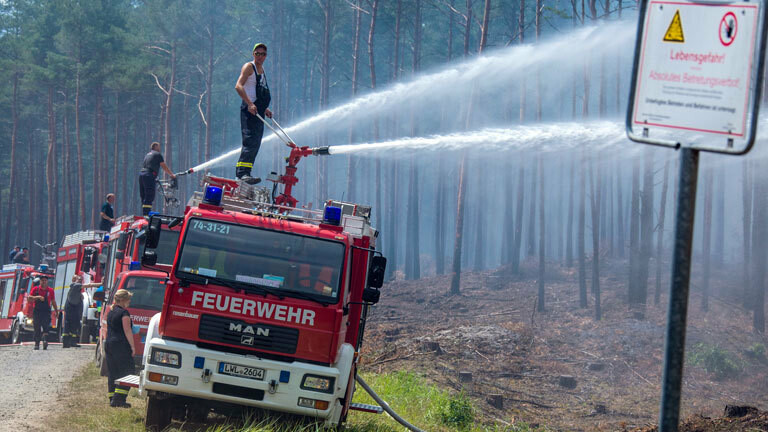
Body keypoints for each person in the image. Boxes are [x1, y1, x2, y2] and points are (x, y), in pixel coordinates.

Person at [234, 42, 272, 185]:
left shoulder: (262, 69)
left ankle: (247, 173)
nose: (260, 56)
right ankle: (241, 174)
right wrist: (249, 103)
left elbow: (258, 91)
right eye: (257, 53)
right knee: (249, 141)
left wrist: (265, 109)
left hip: (258, 111)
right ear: (253, 54)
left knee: (256, 143)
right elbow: (238, 86)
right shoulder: (249, 67)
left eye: (263, 54)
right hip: (249, 111)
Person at [105, 289, 136, 408]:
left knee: (113, 372)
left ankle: (112, 398)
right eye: (128, 299)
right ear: (123, 300)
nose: (129, 302)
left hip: (109, 344)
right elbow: (127, 330)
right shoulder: (124, 313)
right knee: (128, 372)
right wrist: (132, 347)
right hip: (120, 345)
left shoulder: (111, 311)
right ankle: (119, 399)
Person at [63, 274, 100, 348]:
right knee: (68, 327)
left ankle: (72, 342)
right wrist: (102, 284)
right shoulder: (75, 285)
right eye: (78, 279)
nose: (80, 280)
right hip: (70, 310)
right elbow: (89, 285)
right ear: (74, 280)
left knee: (74, 326)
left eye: (81, 279)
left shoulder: (77, 288)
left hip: (74, 310)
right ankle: (66, 343)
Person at [139, 142, 176, 216]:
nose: (160, 148)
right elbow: (163, 166)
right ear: (155, 147)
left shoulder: (147, 155)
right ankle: (147, 214)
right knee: (150, 194)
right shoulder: (157, 154)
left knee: (144, 195)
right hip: (149, 175)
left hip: (142, 174)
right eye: (159, 146)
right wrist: (172, 175)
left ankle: (145, 212)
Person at [28, 276, 57, 350]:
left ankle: (45, 340)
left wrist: (56, 311)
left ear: (47, 281)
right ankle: (37, 344)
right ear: (40, 281)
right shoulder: (35, 289)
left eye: (45, 280)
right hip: (37, 311)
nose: (44, 282)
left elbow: (53, 301)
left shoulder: (50, 290)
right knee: (37, 327)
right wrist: (37, 297)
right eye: (42, 280)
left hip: (46, 311)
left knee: (46, 326)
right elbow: (29, 298)